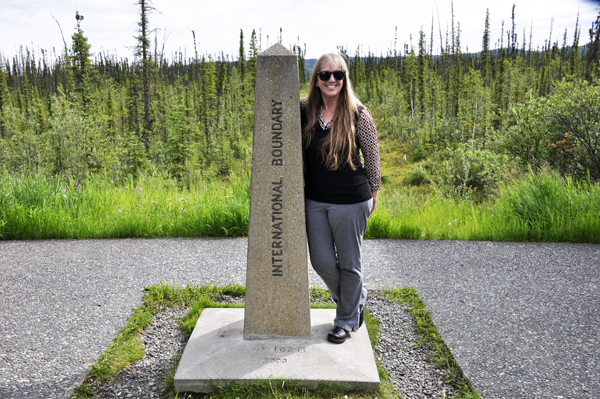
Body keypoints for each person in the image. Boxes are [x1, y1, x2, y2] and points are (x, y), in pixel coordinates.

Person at [300, 53, 381, 344]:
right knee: (321, 262)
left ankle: (345, 321)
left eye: (338, 74)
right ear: (317, 80)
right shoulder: (305, 110)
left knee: (349, 263)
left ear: (344, 78)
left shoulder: (359, 112)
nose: (331, 79)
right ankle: (356, 299)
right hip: (314, 201)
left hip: (351, 200)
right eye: (324, 74)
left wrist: (373, 194)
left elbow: (372, 158)